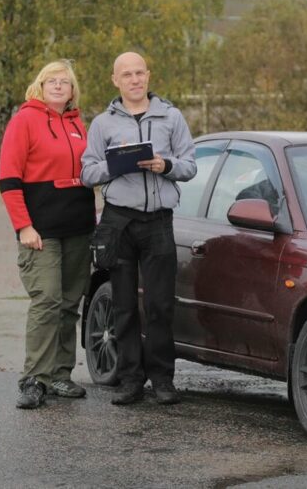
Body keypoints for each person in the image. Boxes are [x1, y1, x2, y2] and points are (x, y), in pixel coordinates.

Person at [81, 51, 196, 405]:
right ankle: (131, 378)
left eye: (139, 73)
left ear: (148, 75)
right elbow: (87, 172)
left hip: (159, 220)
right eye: (127, 74)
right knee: (125, 305)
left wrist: (165, 164)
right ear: (115, 80)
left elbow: (190, 165)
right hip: (119, 220)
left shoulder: (171, 117)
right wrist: (114, 167)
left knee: (161, 304)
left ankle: (162, 379)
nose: (134, 80)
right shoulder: (103, 123)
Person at [0, 59, 96, 409]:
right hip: (41, 231)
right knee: (47, 300)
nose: (58, 86)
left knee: (70, 303)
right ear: (40, 86)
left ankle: (60, 375)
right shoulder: (24, 120)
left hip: (79, 229)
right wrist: (23, 225)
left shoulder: (78, 125)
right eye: (51, 80)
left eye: (64, 82)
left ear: (72, 91)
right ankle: (34, 379)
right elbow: (9, 179)